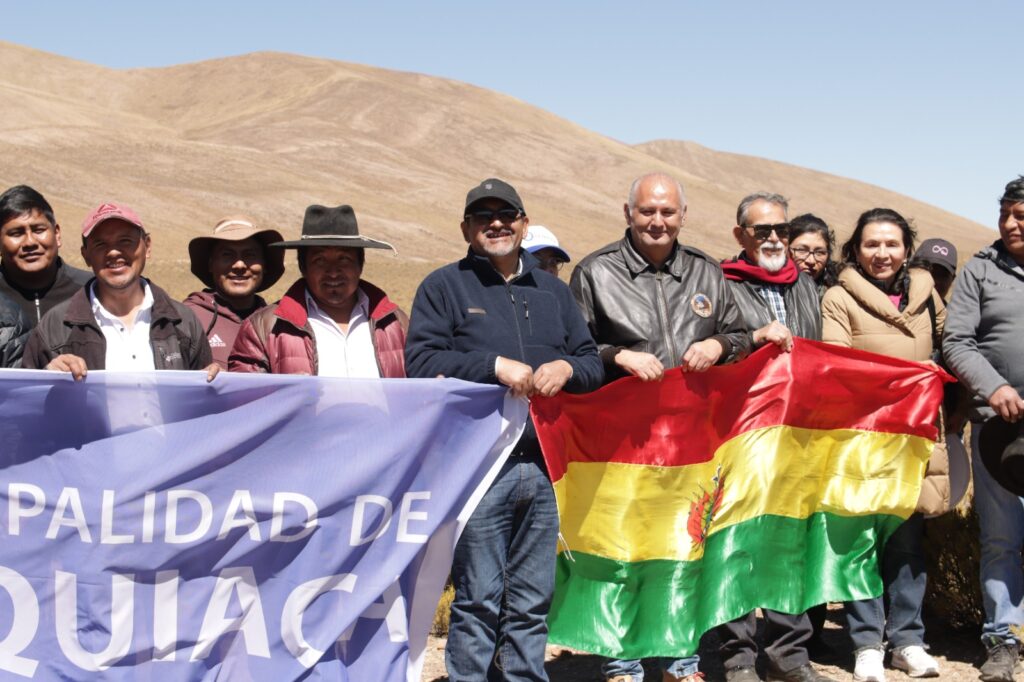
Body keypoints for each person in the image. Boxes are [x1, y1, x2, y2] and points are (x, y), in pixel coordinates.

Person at [405, 178, 603, 681]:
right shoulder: (444, 286)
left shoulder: (555, 292)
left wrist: (568, 370)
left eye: (506, 214)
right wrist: (493, 365)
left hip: (543, 466)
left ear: (523, 222)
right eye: (482, 216)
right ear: (466, 228)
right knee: (477, 601)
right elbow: (421, 360)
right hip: (477, 467)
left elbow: (589, 362)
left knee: (532, 603)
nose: (496, 223)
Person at [570, 172, 751, 682]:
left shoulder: (705, 272)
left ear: (683, 216)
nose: (657, 221)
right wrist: (617, 355)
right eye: (647, 211)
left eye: (667, 212)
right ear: (628, 213)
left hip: (692, 441)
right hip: (623, 440)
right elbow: (575, 349)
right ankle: (623, 664)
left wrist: (720, 345)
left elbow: (739, 334)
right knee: (623, 550)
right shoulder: (594, 271)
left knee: (683, 548)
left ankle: (681, 661)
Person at [821, 208, 945, 682]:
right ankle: (867, 643)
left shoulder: (926, 292)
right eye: (871, 244)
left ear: (906, 249)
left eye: (891, 244)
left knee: (908, 541)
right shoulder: (838, 297)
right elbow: (837, 362)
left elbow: (944, 344)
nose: (882, 253)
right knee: (861, 542)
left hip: (913, 439)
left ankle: (908, 641)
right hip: (860, 437)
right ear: (855, 250)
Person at [718, 193, 828, 682]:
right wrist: (753, 339)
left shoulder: (805, 284)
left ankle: (788, 654)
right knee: (737, 544)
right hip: (741, 430)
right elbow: (713, 348)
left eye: (780, 229)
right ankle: (736, 657)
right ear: (741, 235)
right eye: (761, 230)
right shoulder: (721, 283)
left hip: (798, 432)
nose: (773, 239)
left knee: (790, 543)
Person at [942, 176, 1024, 682]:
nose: (1012, 223)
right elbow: (956, 341)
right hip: (1001, 432)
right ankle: (1002, 637)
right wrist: (993, 388)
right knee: (1001, 538)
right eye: (1007, 214)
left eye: (1023, 215)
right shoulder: (979, 272)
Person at [22, 202, 215, 379]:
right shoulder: (55, 327)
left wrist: (218, 382)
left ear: (147, 246)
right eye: (100, 244)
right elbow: (24, 400)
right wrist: (48, 377)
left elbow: (205, 406)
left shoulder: (183, 322)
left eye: (125, 241)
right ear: (86, 255)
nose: (113, 252)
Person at [229, 204, 407, 377]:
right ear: (303, 267)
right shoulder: (264, 327)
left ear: (360, 265)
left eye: (344, 259)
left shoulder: (395, 323)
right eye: (320, 260)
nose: (333, 271)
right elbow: (244, 396)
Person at [184, 215, 285, 369]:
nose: (239, 265)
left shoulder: (277, 323)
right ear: (211, 264)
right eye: (227, 255)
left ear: (264, 265)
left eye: (250, 255)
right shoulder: (187, 319)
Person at [0, 185, 91, 328]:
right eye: (16, 233)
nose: (30, 242)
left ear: (57, 234)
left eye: (39, 230)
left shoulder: (93, 290)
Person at [787, 213, 838, 298]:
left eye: (820, 252)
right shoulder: (770, 292)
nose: (811, 261)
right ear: (786, 250)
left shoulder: (834, 296)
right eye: (802, 250)